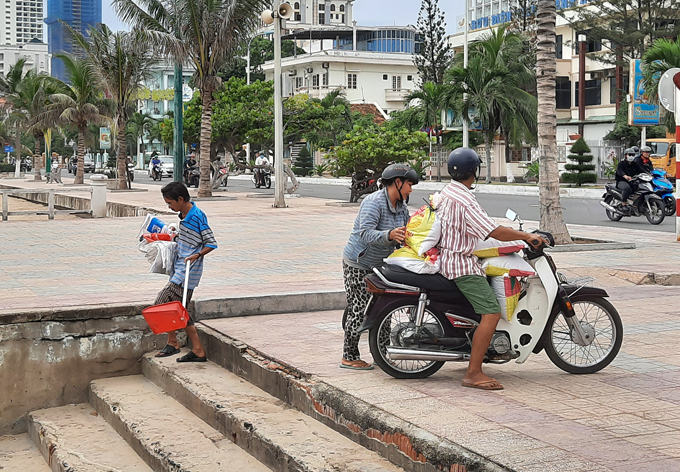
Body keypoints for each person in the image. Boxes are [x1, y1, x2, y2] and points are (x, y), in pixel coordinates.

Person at [438, 148, 546, 391]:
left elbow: (479, 229)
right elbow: (492, 231)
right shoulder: (464, 199)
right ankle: (473, 373)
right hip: (462, 265)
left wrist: (514, 238)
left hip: (451, 257)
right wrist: (526, 235)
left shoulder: (449, 192)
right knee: (491, 312)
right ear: (473, 171)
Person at [341, 164, 418, 370]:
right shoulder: (373, 202)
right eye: (409, 184)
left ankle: (382, 355)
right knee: (359, 308)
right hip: (359, 263)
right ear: (398, 183)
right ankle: (349, 356)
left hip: (381, 264)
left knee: (385, 308)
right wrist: (389, 235)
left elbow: (407, 231)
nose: (411, 189)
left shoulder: (402, 207)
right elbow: (365, 233)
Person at [154, 181, 218, 362]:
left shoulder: (197, 216)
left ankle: (175, 342)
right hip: (180, 268)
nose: (169, 206)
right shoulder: (184, 214)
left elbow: (211, 242)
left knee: (164, 301)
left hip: (188, 271)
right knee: (178, 308)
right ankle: (192, 348)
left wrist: (196, 255)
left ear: (180, 199)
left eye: (170, 203)